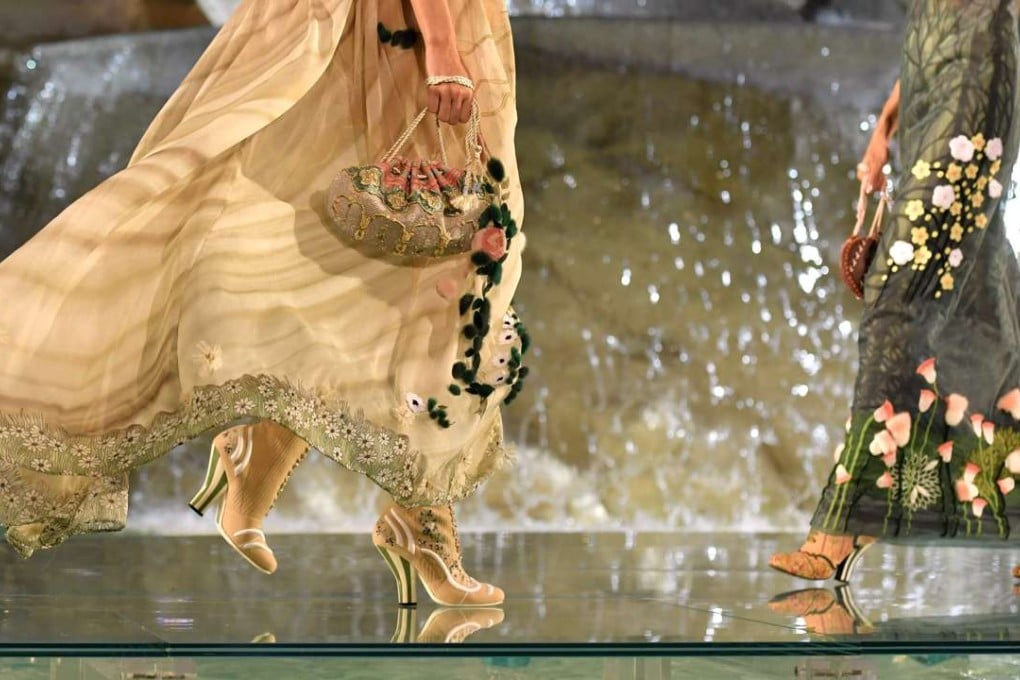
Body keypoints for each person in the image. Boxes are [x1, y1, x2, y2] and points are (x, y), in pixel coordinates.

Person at [0, 0, 525, 608]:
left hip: (353, 25)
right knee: (443, 261)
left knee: (364, 257)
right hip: (394, 31)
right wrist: (442, 45)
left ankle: (296, 467)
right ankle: (408, 517)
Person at [770, 0, 1020, 581]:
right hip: (931, 56)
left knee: (898, 290)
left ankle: (847, 518)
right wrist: (888, 120)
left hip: (978, 64)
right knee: (984, 300)